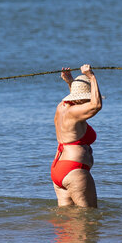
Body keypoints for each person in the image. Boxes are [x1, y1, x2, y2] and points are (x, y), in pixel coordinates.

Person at [51, 64, 102, 208]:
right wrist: (91, 76)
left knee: (67, 219)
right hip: (74, 170)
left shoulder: (62, 107)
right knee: (88, 218)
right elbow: (96, 105)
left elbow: (77, 102)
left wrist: (70, 82)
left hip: (59, 168)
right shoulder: (74, 113)